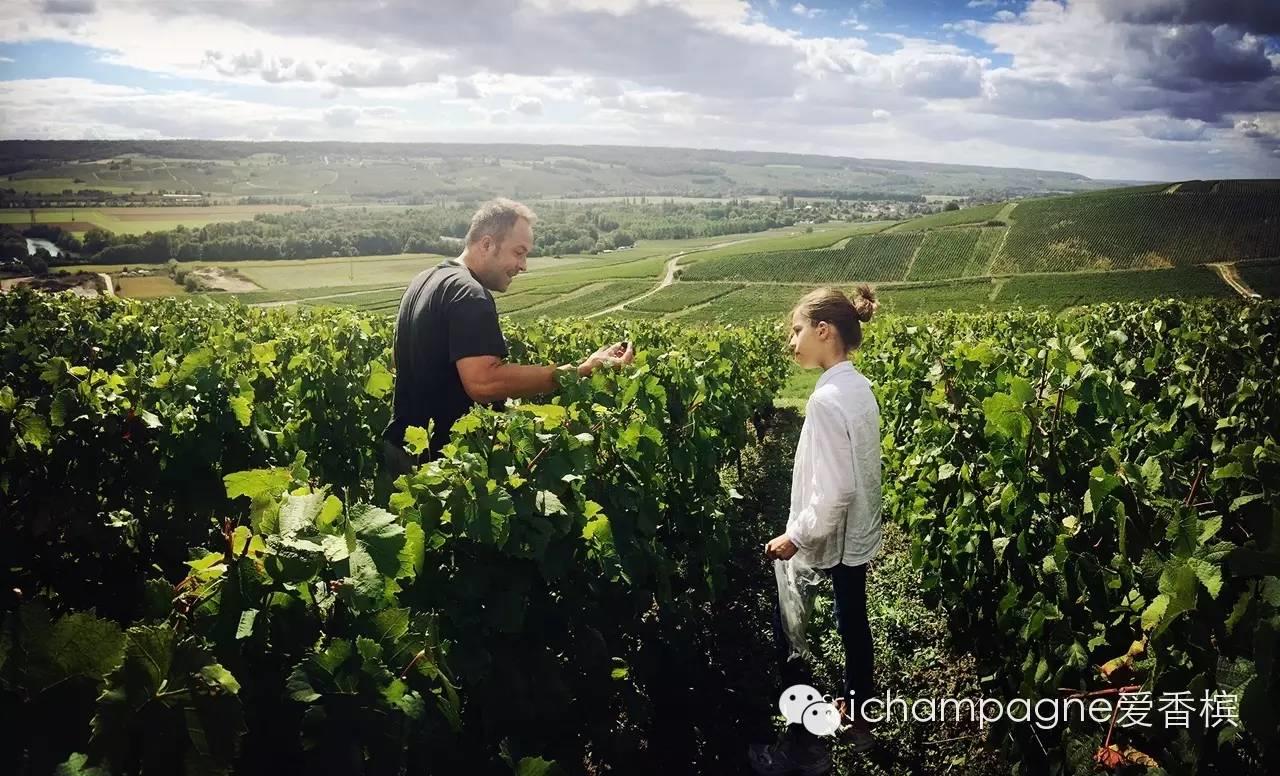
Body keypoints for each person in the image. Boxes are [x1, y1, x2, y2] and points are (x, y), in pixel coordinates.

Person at [378, 198, 633, 489]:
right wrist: (580, 371)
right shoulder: (469, 294)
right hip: (442, 466)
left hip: (402, 450)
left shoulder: (424, 280)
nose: (523, 266)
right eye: (518, 253)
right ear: (486, 244)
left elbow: (404, 363)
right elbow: (484, 382)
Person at [749, 285, 883, 775]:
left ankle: (802, 745)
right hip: (857, 534)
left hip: (834, 533)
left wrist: (796, 537)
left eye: (797, 329)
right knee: (853, 622)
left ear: (824, 331)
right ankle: (859, 719)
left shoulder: (827, 400)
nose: (792, 341)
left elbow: (835, 490)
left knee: (794, 633)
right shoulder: (858, 387)